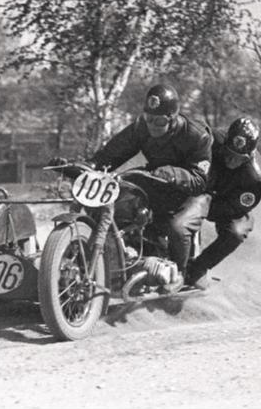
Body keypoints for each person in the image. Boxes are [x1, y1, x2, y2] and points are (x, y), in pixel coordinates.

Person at [85, 84, 214, 291]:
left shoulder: (197, 136)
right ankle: (118, 259)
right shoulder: (141, 128)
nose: (153, 125)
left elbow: (200, 180)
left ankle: (180, 273)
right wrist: (90, 166)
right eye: (149, 118)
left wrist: (173, 173)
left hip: (192, 193)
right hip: (156, 180)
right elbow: (112, 153)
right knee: (118, 201)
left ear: (172, 118)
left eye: (159, 121)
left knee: (177, 227)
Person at [184, 117, 261, 289]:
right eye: (229, 154)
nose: (232, 161)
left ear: (249, 156)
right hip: (203, 187)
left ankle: (199, 267)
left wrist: (205, 209)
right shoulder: (211, 140)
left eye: (239, 159)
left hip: (229, 203)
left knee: (237, 232)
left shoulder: (255, 179)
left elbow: (236, 207)